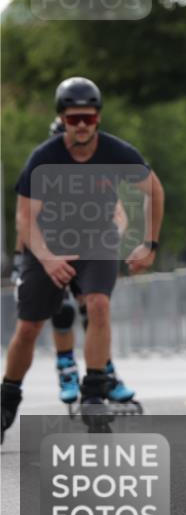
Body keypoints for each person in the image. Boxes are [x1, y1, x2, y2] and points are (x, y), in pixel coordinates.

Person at [1, 77, 164, 441]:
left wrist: (148, 243)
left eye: (87, 118)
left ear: (98, 118)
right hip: (49, 244)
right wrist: (44, 259)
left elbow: (153, 190)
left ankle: (94, 390)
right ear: (62, 119)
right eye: (73, 119)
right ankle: (8, 396)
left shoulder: (117, 152)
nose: (81, 126)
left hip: (96, 241)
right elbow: (25, 220)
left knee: (98, 305)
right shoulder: (44, 159)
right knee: (29, 328)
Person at [9, 117, 135, 410]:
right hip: (48, 253)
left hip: (89, 251)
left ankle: (104, 375)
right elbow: (25, 223)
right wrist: (20, 262)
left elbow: (118, 212)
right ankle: (66, 370)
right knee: (60, 311)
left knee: (95, 310)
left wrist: (113, 238)